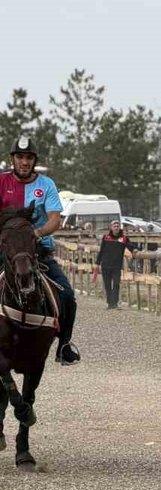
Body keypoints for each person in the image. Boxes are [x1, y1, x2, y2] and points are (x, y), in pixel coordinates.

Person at [0, 136, 80, 365]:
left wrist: (35, 234)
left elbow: (55, 220)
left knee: (67, 296)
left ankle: (64, 345)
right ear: (12, 159)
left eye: (28, 158)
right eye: (20, 157)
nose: (24, 162)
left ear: (34, 161)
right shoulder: (1, 182)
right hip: (6, 252)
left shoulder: (46, 185)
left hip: (38, 251)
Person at [94, 220, 133, 309]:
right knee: (107, 285)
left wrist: (134, 250)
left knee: (116, 284)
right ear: (111, 227)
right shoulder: (106, 237)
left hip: (117, 265)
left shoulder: (124, 238)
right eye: (114, 226)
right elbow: (101, 251)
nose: (116, 227)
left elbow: (131, 246)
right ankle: (110, 303)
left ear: (119, 228)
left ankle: (115, 303)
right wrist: (97, 263)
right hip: (106, 265)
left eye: (117, 226)